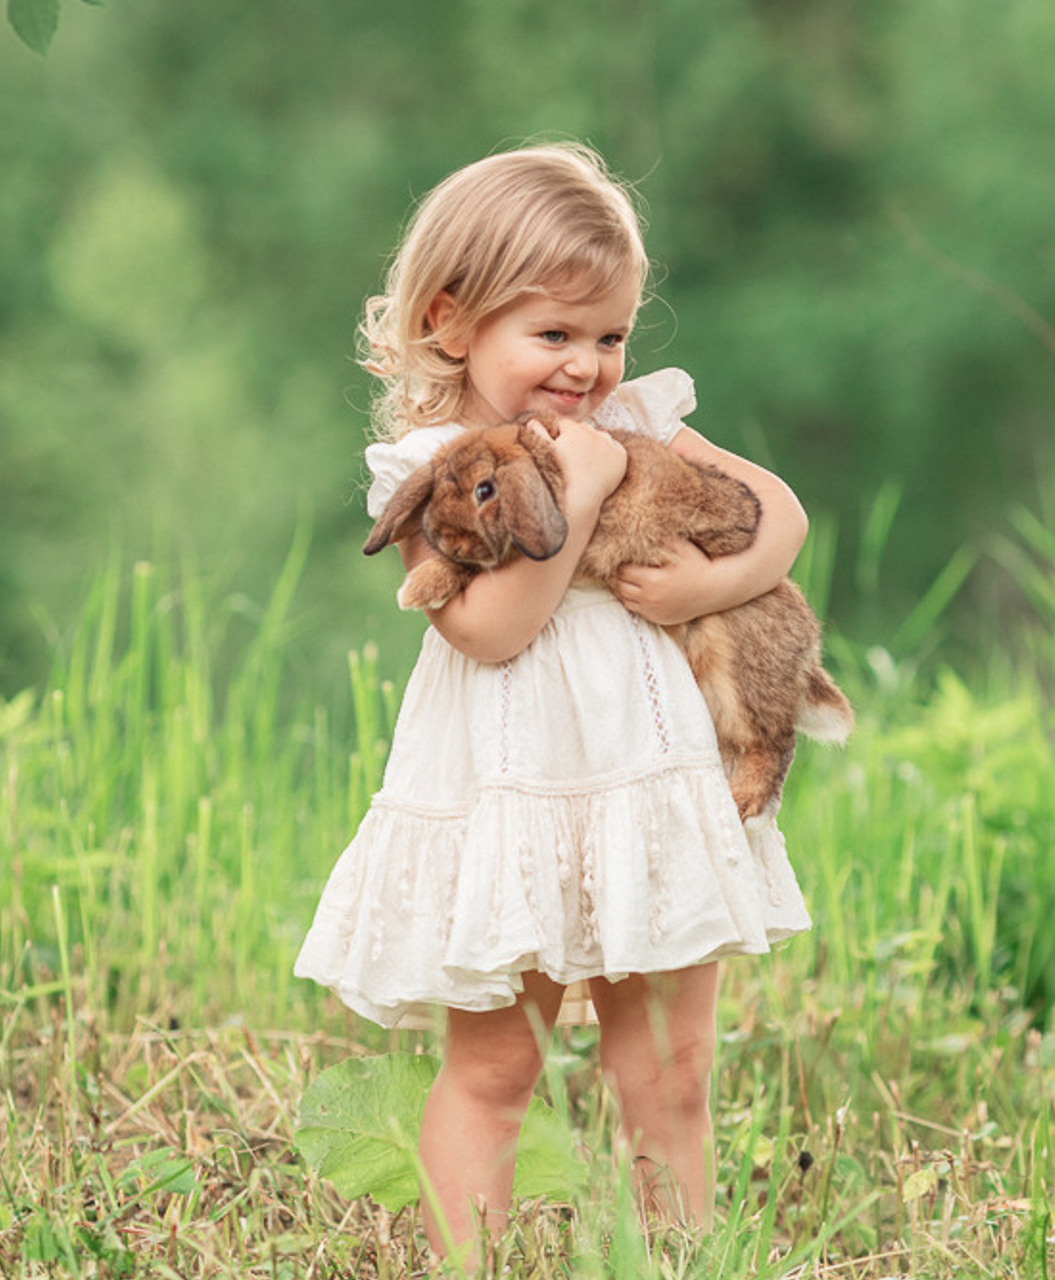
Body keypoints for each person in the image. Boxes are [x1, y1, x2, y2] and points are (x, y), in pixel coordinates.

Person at [294, 142, 813, 1259]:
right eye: (553, 334)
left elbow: (779, 512)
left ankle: (674, 1257)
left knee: (669, 1071)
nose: (586, 365)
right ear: (449, 321)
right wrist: (575, 498)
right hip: (509, 795)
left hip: (651, 781)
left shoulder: (637, 418)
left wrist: (715, 582)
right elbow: (489, 628)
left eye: (609, 334)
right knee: (493, 1065)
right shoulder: (433, 464)